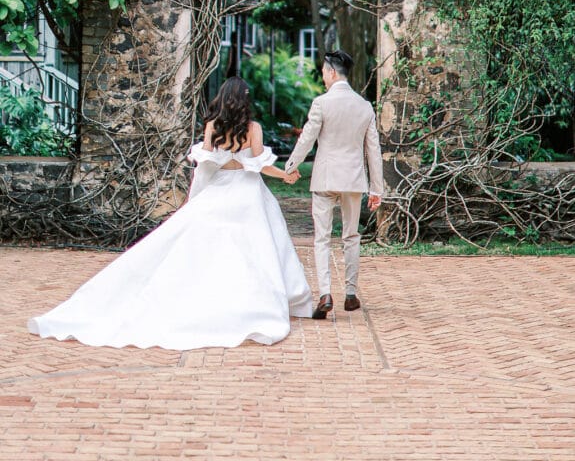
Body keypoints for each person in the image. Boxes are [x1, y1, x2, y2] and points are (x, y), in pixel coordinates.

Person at [28, 77, 313, 350]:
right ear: (244, 99)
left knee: (209, 248)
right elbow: (258, 165)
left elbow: (205, 165)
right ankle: (251, 302)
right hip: (248, 195)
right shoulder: (253, 128)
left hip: (220, 190)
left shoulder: (213, 126)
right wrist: (284, 176)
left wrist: (196, 197)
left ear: (224, 98)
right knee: (255, 250)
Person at [285, 50, 384, 319]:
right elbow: (372, 149)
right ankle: (350, 294)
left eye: (323, 73)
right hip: (353, 179)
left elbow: (307, 138)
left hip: (326, 178)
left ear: (331, 72)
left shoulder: (321, 103)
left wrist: (290, 166)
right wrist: (377, 188)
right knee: (351, 236)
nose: (323, 78)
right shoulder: (364, 106)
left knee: (322, 238)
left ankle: (325, 293)